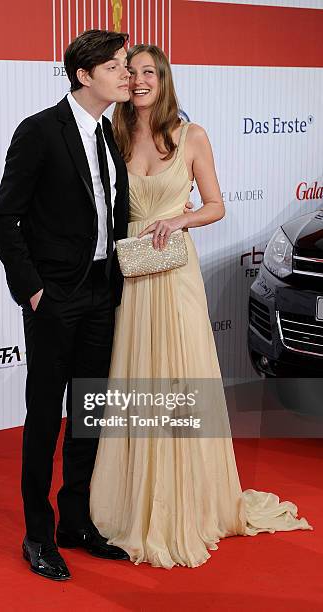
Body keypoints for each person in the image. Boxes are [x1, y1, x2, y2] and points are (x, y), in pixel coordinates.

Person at [89, 44, 312, 569]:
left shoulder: (192, 137)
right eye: (131, 71)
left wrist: (177, 220)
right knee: (133, 375)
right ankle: (130, 500)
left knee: (181, 375)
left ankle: (186, 501)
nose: (139, 79)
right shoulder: (112, 136)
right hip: (131, 273)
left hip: (175, 273)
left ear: (164, 81)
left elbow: (215, 205)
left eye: (149, 72)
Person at [0, 29, 132, 581]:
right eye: (116, 67)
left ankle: (76, 522)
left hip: (102, 291)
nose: (127, 75)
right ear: (84, 74)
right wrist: (33, 288)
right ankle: (38, 535)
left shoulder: (110, 134)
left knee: (88, 415)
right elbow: (5, 217)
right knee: (45, 418)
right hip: (55, 297)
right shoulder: (40, 131)